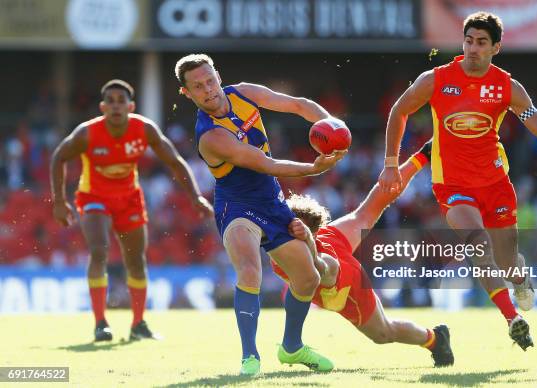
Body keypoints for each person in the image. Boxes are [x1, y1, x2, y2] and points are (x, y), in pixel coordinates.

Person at [378, 11, 537, 351]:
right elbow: (399, 111)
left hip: (494, 183)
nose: (473, 48)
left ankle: (521, 278)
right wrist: (391, 163)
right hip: (452, 185)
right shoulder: (436, 79)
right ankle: (513, 319)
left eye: (481, 42)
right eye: (468, 40)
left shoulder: (507, 87)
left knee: (507, 263)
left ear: (496, 47)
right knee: (478, 246)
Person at [175, 54, 346, 375]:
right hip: (237, 205)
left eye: (210, 80)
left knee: (308, 277)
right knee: (250, 270)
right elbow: (265, 163)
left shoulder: (244, 93)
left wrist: (333, 127)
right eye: (198, 87)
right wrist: (314, 168)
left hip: (271, 199)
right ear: (188, 94)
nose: (208, 90)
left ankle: (292, 348)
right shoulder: (210, 135)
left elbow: (297, 104)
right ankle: (250, 358)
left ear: (218, 75)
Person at [50, 79, 213, 342]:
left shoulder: (144, 129)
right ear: (103, 107)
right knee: (99, 251)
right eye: (110, 101)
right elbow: (59, 156)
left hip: (129, 199)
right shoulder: (87, 133)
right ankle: (100, 322)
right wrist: (59, 200)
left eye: (121, 101)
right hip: (94, 197)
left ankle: (138, 324)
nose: (116, 106)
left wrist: (195, 196)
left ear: (131, 105)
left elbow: (174, 161)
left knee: (136, 261)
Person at [272, 141, 455, 367]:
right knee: (367, 212)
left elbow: (323, 271)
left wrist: (308, 241)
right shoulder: (296, 234)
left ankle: (435, 339)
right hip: (327, 247)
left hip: (348, 288)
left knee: (383, 334)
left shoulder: (322, 253)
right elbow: (377, 201)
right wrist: (420, 158)